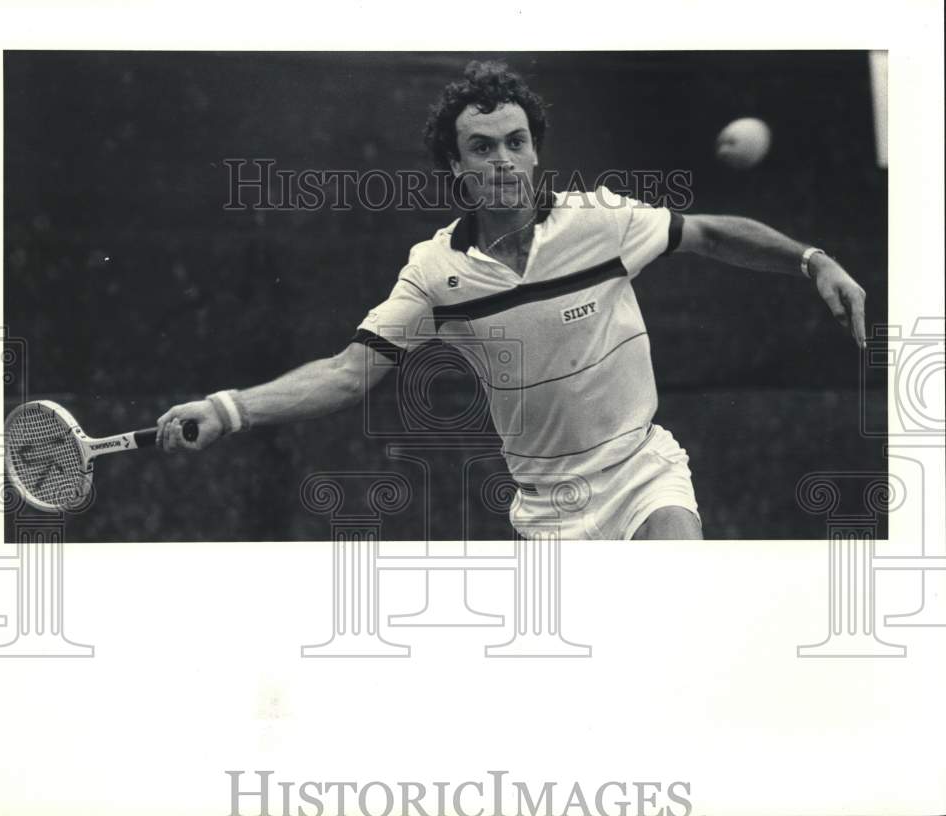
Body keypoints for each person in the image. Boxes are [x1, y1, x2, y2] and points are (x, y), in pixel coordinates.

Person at [157, 60, 867, 541]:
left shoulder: (603, 220)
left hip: (643, 475)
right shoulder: (435, 273)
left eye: (515, 142)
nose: (503, 160)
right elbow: (347, 373)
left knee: (678, 614)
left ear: (535, 152)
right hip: (549, 512)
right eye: (483, 147)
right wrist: (229, 408)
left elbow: (709, 233)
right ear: (456, 167)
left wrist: (813, 260)